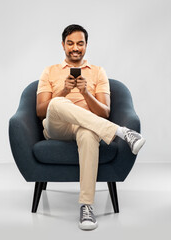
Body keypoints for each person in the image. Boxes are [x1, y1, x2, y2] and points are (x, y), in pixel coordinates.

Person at [36, 24, 145, 231]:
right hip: (56, 127)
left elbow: (104, 112)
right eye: (70, 43)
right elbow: (41, 110)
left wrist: (86, 93)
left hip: (86, 127)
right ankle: (120, 132)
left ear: (86, 45)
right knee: (57, 103)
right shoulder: (49, 71)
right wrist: (63, 92)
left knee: (88, 134)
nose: (75, 48)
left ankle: (86, 207)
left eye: (80, 43)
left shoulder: (98, 72)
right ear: (63, 45)